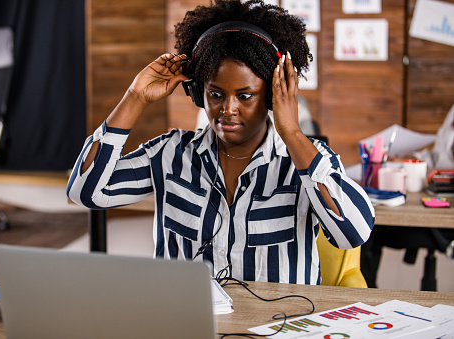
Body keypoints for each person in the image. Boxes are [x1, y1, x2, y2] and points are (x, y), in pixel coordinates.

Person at [67, 0, 374, 284]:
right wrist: (135, 97)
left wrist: (292, 132)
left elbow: (354, 232)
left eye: (245, 96)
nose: (228, 109)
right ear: (199, 93)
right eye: (216, 94)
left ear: (271, 97)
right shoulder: (170, 154)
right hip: (189, 324)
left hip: (276, 327)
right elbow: (85, 190)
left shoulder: (308, 161)